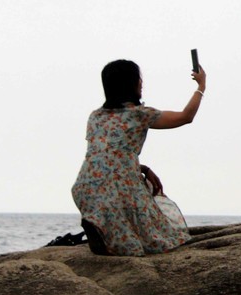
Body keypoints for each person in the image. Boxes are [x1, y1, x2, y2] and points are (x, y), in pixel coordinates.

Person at [71, 59, 206, 256]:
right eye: (139, 79)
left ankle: (101, 228)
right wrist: (201, 86)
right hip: (116, 190)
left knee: (127, 211)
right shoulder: (139, 114)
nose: (142, 83)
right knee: (160, 236)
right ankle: (109, 236)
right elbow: (185, 116)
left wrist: (143, 168)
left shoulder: (95, 116)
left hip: (85, 188)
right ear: (130, 84)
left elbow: (105, 155)